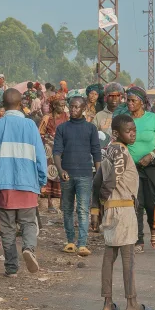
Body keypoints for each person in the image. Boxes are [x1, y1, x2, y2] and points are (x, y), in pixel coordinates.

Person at [91, 115, 154, 310]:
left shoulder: (109, 150)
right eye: (129, 131)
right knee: (129, 259)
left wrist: (97, 209)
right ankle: (132, 303)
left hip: (111, 209)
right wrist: (102, 200)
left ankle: (108, 303)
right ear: (116, 133)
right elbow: (110, 181)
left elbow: (97, 180)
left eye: (134, 130)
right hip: (123, 210)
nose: (133, 134)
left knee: (109, 257)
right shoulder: (121, 151)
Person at [0, 89, 48, 277]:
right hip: (28, 182)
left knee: (7, 228)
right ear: (21, 105)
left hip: (4, 184)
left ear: (3, 105)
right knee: (28, 222)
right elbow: (40, 157)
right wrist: (41, 180)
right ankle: (29, 249)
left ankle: (11, 267)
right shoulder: (30, 126)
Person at [53, 93, 101, 256]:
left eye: (76, 106)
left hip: (85, 175)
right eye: (71, 106)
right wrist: (60, 171)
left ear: (84, 108)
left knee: (82, 209)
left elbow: (96, 152)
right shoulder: (62, 128)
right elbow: (57, 152)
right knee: (67, 209)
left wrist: (99, 175)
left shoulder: (91, 128)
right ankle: (70, 242)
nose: (72, 109)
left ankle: (82, 243)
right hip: (67, 174)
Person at [125, 86, 155, 252]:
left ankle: (153, 228)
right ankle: (138, 239)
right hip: (131, 168)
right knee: (136, 203)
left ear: (142, 103)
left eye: (133, 100)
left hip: (151, 166)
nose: (129, 103)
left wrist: (151, 154)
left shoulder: (152, 119)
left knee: (153, 203)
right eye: (128, 100)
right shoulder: (124, 120)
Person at [39, 95, 68, 212]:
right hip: (49, 149)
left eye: (64, 105)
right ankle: (50, 203)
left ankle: (62, 203)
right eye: (61, 105)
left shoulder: (66, 117)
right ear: (54, 106)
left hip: (62, 148)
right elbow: (40, 132)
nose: (63, 107)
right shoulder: (47, 118)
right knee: (49, 174)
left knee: (62, 173)